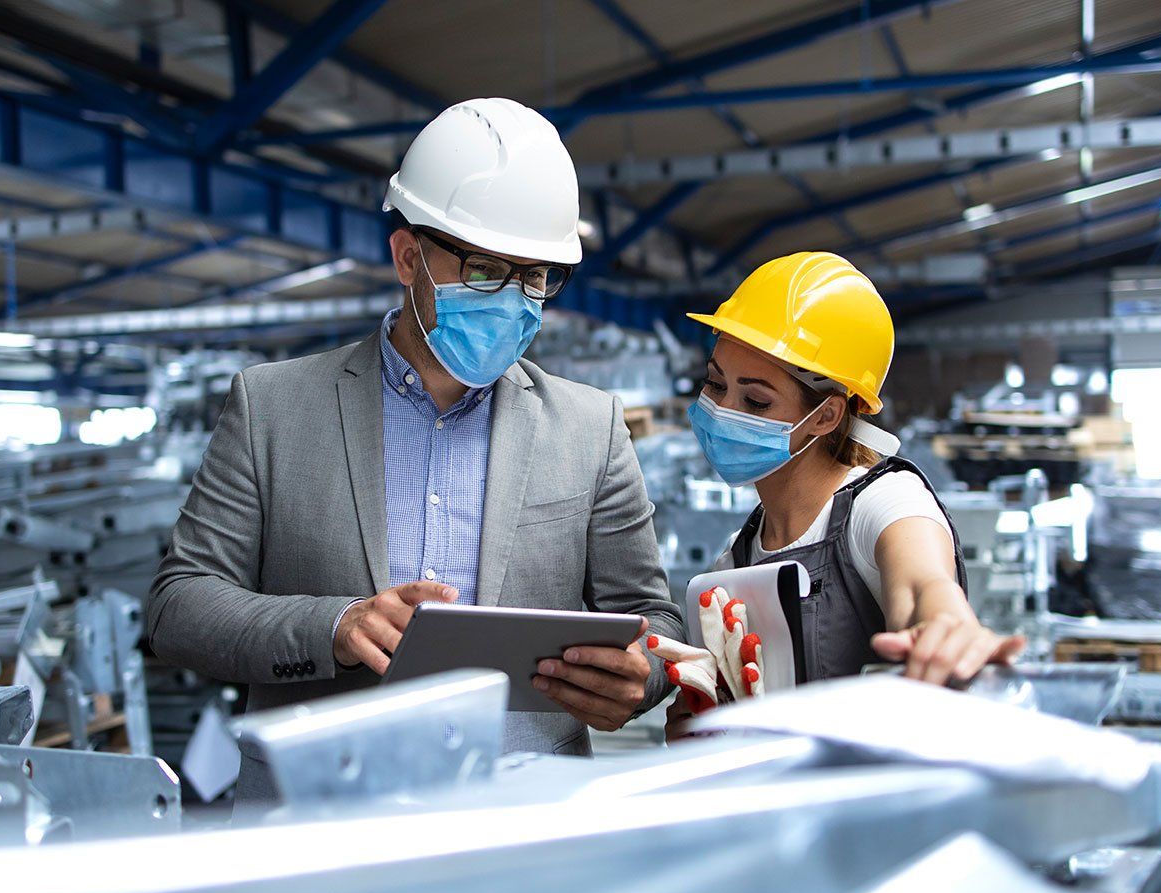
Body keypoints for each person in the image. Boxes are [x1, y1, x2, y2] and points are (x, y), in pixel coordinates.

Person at [148, 98, 684, 806]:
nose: (519, 302)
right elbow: (177, 607)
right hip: (315, 824)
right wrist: (335, 627)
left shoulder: (590, 428)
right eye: (490, 272)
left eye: (537, 279)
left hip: (524, 817)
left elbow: (655, 620)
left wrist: (639, 679)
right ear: (409, 258)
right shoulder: (271, 407)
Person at [661, 252, 1024, 737]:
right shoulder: (737, 558)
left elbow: (922, 585)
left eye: (756, 400)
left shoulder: (885, 503)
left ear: (827, 416)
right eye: (715, 383)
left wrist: (945, 623)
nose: (722, 411)